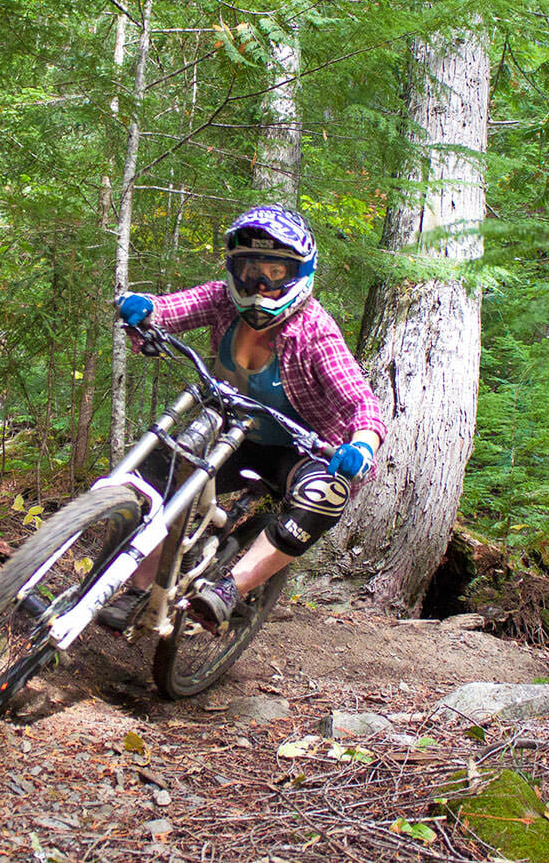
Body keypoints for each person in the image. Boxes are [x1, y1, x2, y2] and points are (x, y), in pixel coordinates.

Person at [98, 204, 386, 634]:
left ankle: (233, 587)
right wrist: (144, 310)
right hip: (232, 434)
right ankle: (141, 591)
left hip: (300, 449)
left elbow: (362, 404)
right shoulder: (221, 301)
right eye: (250, 270)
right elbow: (171, 308)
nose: (259, 285)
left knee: (325, 494)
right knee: (155, 472)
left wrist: (361, 446)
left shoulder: (315, 332)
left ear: (298, 274)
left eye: (274, 272)